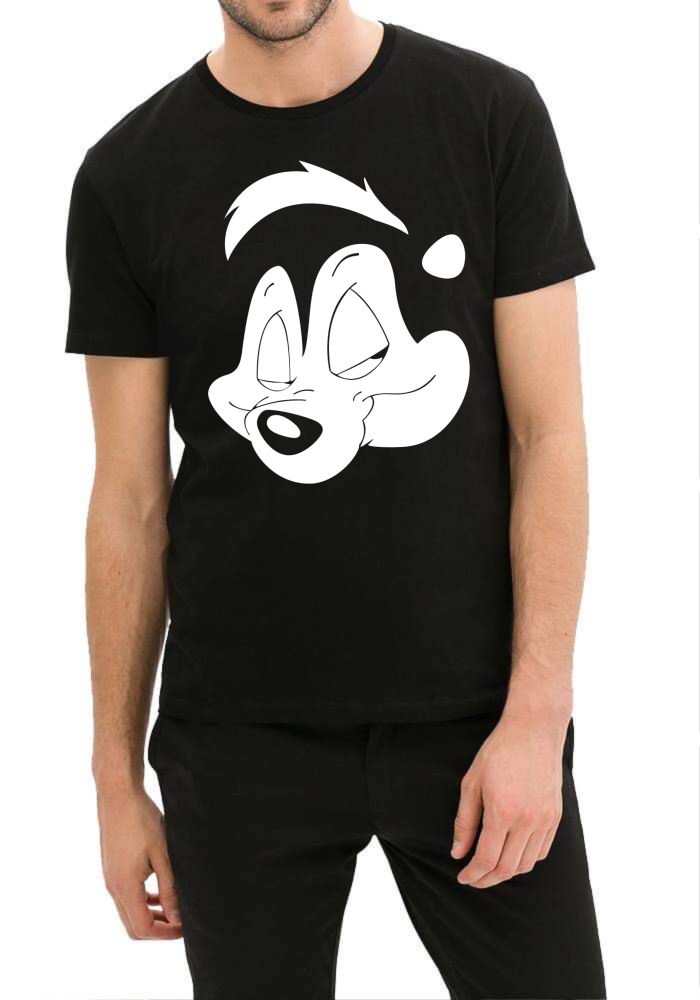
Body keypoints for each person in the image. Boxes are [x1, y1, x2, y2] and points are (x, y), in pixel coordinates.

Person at [66, 1, 606, 997]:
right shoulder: (126, 174)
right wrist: (113, 777)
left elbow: (550, 436)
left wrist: (539, 714)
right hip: (236, 743)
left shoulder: (489, 113)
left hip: (475, 722)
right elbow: (130, 500)